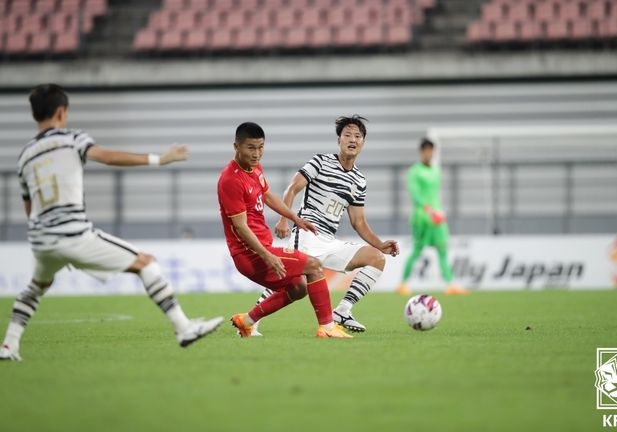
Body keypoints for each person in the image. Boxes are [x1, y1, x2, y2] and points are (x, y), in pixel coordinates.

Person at [0, 84, 223, 362]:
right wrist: (160, 159)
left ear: (35, 115)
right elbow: (106, 156)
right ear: (61, 112)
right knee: (147, 263)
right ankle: (184, 328)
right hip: (73, 234)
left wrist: (51, 240)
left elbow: (29, 206)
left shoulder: (25, 156)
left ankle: (9, 346)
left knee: (36, 287)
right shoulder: (72, 140)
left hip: (40, 238)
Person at [251, 115, 399, 334]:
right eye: (347, 135)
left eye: (358, 136)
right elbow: (292, 188)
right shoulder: (320, 161)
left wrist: (380, 245)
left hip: (329, 240)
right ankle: (251, 320)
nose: (352, 139)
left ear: (363, 143)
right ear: (338, 140)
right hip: (307, 233)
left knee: (376, 258)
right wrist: (285, 218)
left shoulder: (359, 180)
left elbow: (359, 222)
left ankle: (343, 311)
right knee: (289, 280)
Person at [218, 122, 351, 339]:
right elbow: (241, 228)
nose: (257, 153)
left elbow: (268, 196)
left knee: (299, 288)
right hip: (250, 254)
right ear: (236, 146)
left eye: (261, 147)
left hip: (262, 249)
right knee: (314, 265)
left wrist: (294, 218)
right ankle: (327, 327)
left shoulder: (254, 168)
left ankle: (247, 321)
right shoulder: (230, 180)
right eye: (251, 148)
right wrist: (267, 255)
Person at [397, 138, 468, 296]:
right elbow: (415, 195)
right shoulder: (415, 171)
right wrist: (429, 210)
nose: (429, 154)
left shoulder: (436, 170)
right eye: (427, 151)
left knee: (443, 249)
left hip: (437, 218)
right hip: (422, 218)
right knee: (417, 250)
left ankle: (450, 284)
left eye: (432, 151)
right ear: (421, 152)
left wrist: (438, 211)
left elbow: (434, 194)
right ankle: (402, 283)